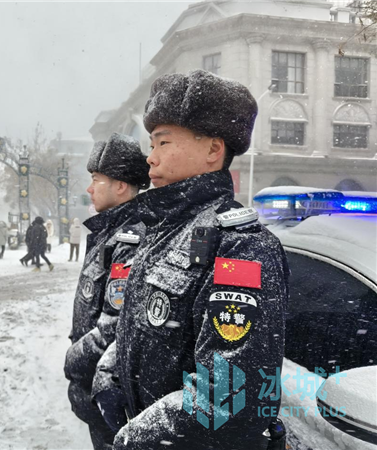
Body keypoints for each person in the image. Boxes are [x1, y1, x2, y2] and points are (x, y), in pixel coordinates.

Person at [106, 70, 289, 449]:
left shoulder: (240, 247)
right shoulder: (163, 231)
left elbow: (227, 396)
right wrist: (110, 376)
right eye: (151, 144)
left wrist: (133, 439)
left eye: (163, 143)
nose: (150, 159)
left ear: (212, 150)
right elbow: (135, 324)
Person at [64, 133, 150, 450]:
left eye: (96, 179)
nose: (89, 188)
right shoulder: (109, 232)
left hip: (108, 393)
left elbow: (115, 327)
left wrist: (74, 360)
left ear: (120, 186)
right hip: (93, 388)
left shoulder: (131, 239)